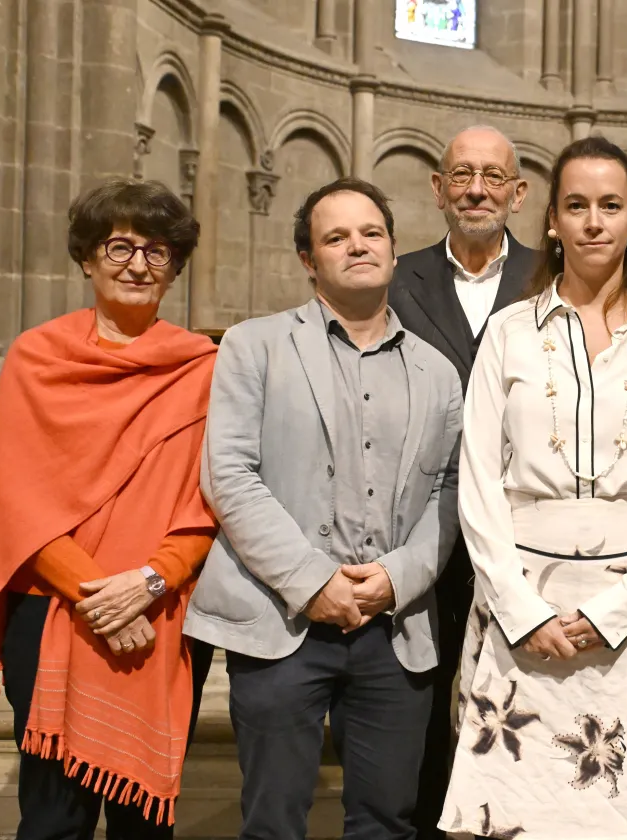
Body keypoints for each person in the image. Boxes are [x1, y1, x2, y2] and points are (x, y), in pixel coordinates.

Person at [439, 136, 627, 840]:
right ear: (553, 223)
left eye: (611, 205)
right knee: (515, 816)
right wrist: (520, 609)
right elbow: (476, 479)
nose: (594, 220)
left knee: (625, 814)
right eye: (577, 206)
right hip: (522, 602)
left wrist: (619, 609)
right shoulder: (508, 333)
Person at [184, 177, 464, 839]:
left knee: (386, 820)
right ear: (310, 260)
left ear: (395, 252)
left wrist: (399, 577)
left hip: (393, 629)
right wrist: (313, 581)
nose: (357, 247)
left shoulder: (439, 372)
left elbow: (450, 490)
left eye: (371, 233)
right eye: (335, 237)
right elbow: (229, 474)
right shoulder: (254, 347)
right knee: (274, 819)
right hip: (283, 622)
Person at [0, 178, 218, 838]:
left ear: (175, 266)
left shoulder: (202, 367)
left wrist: (148, 583)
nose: (137, 264)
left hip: (162, 611)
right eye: (119, 246)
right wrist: (103, 597)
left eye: (157, 251)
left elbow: (209, 501)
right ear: (87, 258)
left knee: (144, 829)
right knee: (52, 823)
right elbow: (16, 500)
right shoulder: (34, 359)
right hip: (57, 610)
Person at [388, 125, 537, 840]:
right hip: (425, 523)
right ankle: (429, 821)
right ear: (439, 187)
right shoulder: (393, 278)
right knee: (424, 688)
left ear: (519, 191)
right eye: (462, 175)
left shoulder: (552, 277)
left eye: (492, 176)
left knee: (524, 690)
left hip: (525, 525)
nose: (477, 189)